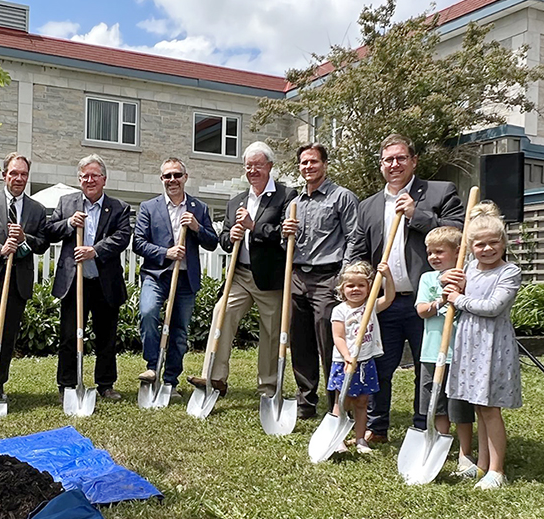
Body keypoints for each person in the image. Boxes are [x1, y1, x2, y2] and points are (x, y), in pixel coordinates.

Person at [348, 134, 465, 443]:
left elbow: (458, 233)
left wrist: (418, 215)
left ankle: (422, 425)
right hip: (385, 301)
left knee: (425, 369)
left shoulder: (440, 192)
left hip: (427, 301)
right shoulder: (368, 205)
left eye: (401, 158)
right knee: (380, 367)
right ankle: (378, 427)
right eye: (388, 160)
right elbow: (360, 251)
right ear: (381, 165)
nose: (394, 164)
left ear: (414, 161)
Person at [187, 142, 297, 398]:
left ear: (269, 166)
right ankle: (214, 378)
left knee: (271, 332)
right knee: (221, 313)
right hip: (241, 275)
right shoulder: (236, 200)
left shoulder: (286, 196)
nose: (253, 170)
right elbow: (224, 240)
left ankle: (268, 387)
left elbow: (285, 234)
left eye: (258, 165)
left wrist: (253, 226)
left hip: (270, 277)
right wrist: (231, 235)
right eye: (248, 166)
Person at [443, 202, 522, 490]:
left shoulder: (509, 272)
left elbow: (492, 306)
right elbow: (448, 291)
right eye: (480, 244)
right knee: (477, 405)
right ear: (471, 246)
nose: (487, 249)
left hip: (492, 344)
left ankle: (497, 471)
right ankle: (483, 466)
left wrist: (457, 300)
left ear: (503, 243)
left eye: (493, 243)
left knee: (490, 408)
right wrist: (446, 283)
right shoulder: (468, 268)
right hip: (469, 341)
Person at [281, 142, 359, 419]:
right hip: (298, 275)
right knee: (300, 342)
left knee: (329, 340)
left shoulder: (342, 197)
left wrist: (345, 274)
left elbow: (354, 236)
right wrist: (284, 233)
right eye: (304, 163)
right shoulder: (294, 203)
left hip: (329, 276)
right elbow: (286, 245)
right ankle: (306, 400)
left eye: (313, 162)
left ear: (324, 164)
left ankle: (336, 402)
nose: (308, 167)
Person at [47, 154, 132, 401]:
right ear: (79, 179)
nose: (89, 180)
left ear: (104, 179)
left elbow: (122, 237)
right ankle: (67, 385)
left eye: (94, 175)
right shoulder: (66, 203)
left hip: (104, 282)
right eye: (85, 176)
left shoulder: (119, 208)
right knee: (69, 336)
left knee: (106, 337)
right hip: (74, 283)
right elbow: (49, 231)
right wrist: (68, 224)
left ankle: (105, 385)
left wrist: (94, 250)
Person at [0, 152, 50, 404]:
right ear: (5, 175)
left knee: (8, 332)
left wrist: (25, 239)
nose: (19, 178)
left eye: (23, 174)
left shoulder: (36, 209)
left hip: (18, 280)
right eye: (14, 173)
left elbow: (43, 242)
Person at [134, 158, 218, 395]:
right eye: (167, 176)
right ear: (162, 179)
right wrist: (166, 253)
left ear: (185, 177)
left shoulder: (198, 208)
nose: (172, 180)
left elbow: (212, 242)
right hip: (157, 275)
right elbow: (138, 243)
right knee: (149, 313)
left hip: (185, 278)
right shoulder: (149, 208)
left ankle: (170, 380)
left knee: (179, 331)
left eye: (176, 175)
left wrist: (196, 228)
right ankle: (153, 368)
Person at [415, 226, 476, 475]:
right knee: (436, 403)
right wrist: (440, 299)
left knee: (459, 405)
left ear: (458, 252)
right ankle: (441, 442)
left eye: (440, 251)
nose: (433, 257)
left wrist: (460, 291)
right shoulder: (427, 278)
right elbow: (421, 311)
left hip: (459, 353)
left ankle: (465, 452)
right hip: (432, 352)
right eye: (430, 252)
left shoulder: (468, 277)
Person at [327, 261, 395, 454]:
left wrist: (387, 276)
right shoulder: (340, 310)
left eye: (361, 285)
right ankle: (337, 439)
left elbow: (389, 298)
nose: (355, 289)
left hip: (365, 361)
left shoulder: (371, 306)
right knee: (342, 402)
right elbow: (338, 336)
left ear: (369, 288)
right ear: (342, 289)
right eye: (350, 286)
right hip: (345, 362)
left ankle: (360, 439)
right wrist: (348, 357)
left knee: (362, 401)